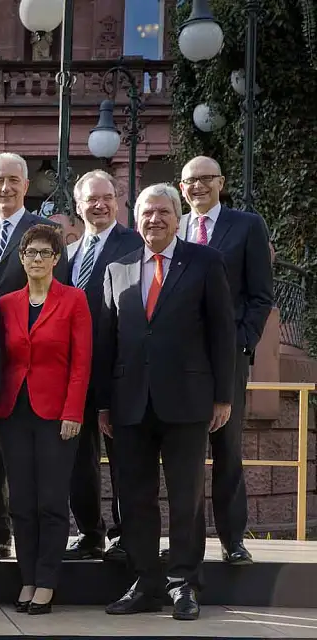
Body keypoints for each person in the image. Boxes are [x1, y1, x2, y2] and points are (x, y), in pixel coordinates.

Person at [99, 184, 235, 621]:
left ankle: (184, 584)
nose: (154, 219)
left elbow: (222, 333)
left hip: (189, 402)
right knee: (134, 498)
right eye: (146, 213)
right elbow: (107, 343)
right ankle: (146, 582)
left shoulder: (205, 262)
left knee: (186, 497)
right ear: (134, 219)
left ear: (178, 218)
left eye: (162, 212)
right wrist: (103, 403)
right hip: (130, 403)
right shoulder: (116, 268)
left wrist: (223, 397)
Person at [0, 153, 69, 559]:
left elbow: (63, 299)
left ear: (25, 185)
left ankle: (35, 543)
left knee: (28, 462)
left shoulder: (47, 232)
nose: (4, 188)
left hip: (32, 364)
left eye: (12, 180)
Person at [178, 156, 274, 565]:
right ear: (181, 188)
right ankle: (188, 543)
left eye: (205, 179)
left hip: (227, 356)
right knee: (185, 449)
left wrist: (242, 342)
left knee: (227, 447)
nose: (197, 186)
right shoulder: (174, 226)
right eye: (189, 181)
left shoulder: (247, 225)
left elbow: (261, 295)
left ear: (220, 182)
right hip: (180, 358)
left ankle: (233, 539)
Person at [0, 224, 92, 615]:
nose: (36, 259)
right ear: (21, 258)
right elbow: (0, 361)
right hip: (13, 414)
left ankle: (47, 580)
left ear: (56, 259)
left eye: (44, 253)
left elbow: (82, 363)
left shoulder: (74, 300)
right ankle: (28, 577)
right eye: (30, 252)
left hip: (56, 415)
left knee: (51, 501)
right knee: (20, 501)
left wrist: (73, 412)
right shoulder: (6, 304)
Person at [63, 171, 142, 563]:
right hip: (75, 375)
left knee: (124, 458)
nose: (99, 204)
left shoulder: (136, 244)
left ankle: (127, 535)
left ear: (118, 201)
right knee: (79, 459)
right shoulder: (71, 253)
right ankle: (90, 532)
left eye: (107, 197)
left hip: (119, 372)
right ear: (78, 206)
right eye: (91, 199)